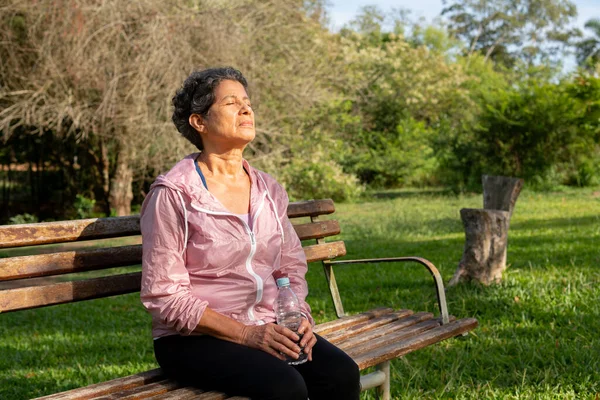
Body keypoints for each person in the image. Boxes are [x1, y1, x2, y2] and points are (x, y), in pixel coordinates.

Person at [140, 67, 361, 400]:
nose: (246, 109)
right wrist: (246, 335)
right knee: (284, 388)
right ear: (199, 122)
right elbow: (164, 295)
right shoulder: (173, 194)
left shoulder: (268, 190)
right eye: (231, 103)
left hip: (268, 324)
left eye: (247, 102)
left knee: (342, 374)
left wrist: (298, 317)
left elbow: (289, 267)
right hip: (194, 339)